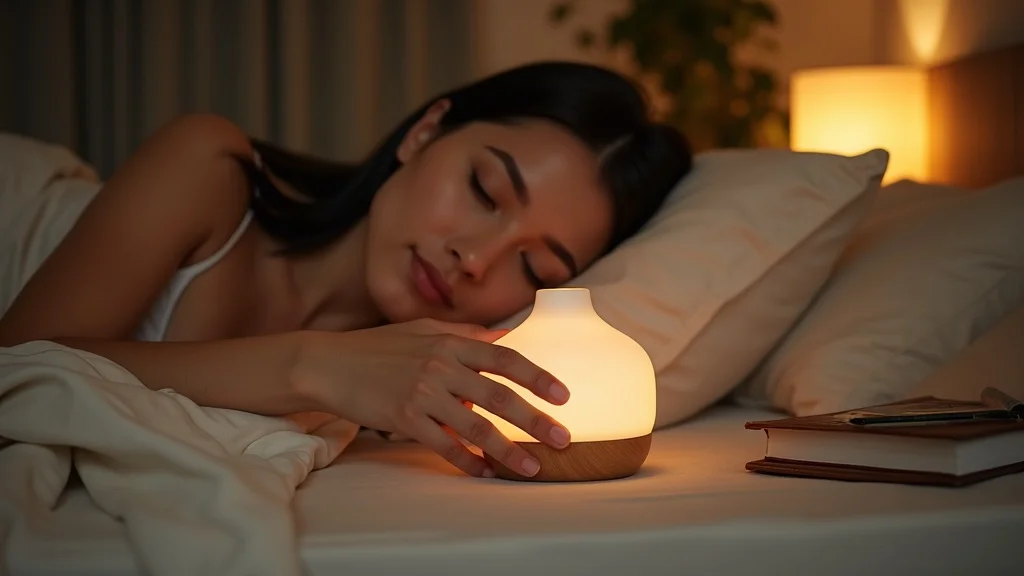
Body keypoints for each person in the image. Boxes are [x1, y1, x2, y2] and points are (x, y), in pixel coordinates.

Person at [0, 61, 692, 479]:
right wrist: (312, 367)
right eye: (484, 190)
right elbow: (18, 365)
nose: (476, 259)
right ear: (426, 131)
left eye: (534, 268)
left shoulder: (423, 386)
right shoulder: (209, 166)